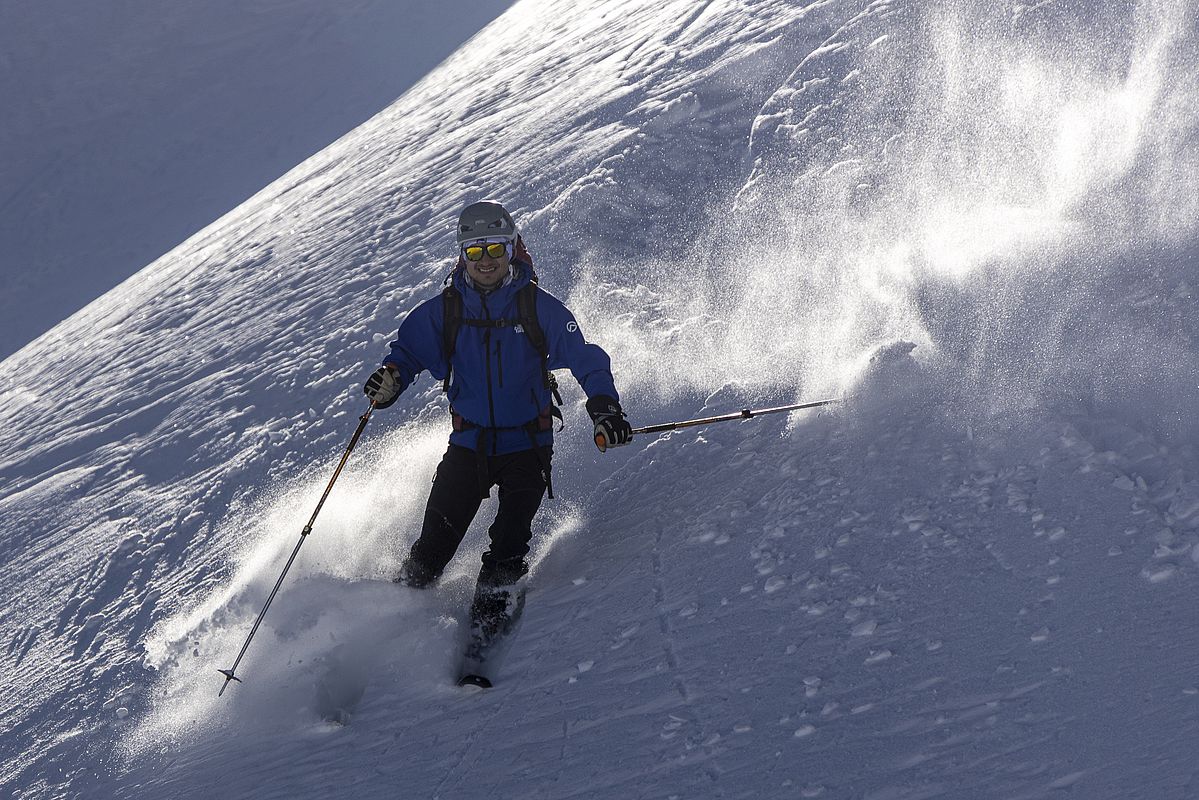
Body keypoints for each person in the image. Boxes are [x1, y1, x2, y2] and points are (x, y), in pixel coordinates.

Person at [362, 200, 632, 657]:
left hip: (527, 444)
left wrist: (604, 407)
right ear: (461, 256)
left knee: (509, 543)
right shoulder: (443, 312)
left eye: (494, 249)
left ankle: (483, 637)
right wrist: (390, 381)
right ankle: (382, 629)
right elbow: (406, 355)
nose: (486, 260)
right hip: (468, 443)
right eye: (475, 251)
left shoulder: (537, 307)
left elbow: (585, 358)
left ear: (512, 249)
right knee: (433, 547)